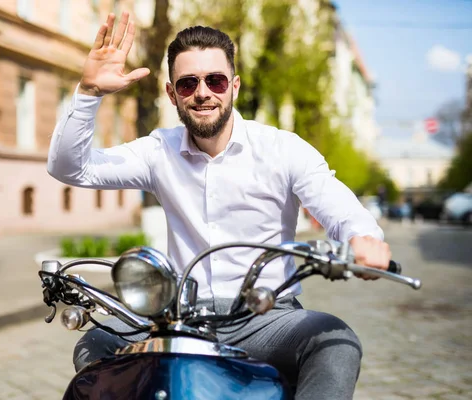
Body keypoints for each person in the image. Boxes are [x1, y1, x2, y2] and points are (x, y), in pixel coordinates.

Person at [47, 11, 392, 400]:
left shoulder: (282, 149)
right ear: (171, 93)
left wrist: (363, 238)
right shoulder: (157, 150)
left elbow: (336, 204)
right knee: (96, 346)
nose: (202, 92)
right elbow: (70, 167)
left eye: (215, 80)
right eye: (188, 83)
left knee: (336, 344)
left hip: (265, 316)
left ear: (234, 86)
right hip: (179, 317)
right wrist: (89, 92)